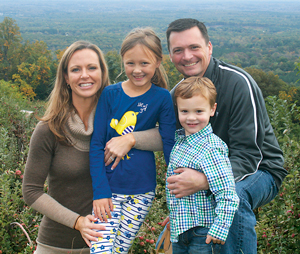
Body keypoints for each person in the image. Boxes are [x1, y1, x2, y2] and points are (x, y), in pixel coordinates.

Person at [164, 18, 287, 253]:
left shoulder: (238, 83)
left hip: (261, 171)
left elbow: (250, 155)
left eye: (194, 47)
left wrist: (205, 181)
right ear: (170, 55)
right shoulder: (177, 96)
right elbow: (175, 145)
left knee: (234, 197)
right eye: (178, 50)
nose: (187, 56)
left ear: (209, 47)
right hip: (211, 171)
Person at [89, 27, 176, 254]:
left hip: (142, 192)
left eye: (144, 63)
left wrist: (177, 193)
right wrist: (100, 192)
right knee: (101, 249)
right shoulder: (110, 94)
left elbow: (169, 145)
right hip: (109, 191)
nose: (137, 70)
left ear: (158, 62)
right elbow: (97, 144)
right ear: (122, 62)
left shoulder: (162, 98)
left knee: (119, 250)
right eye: (130, 63)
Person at [22, 41, 111, 254]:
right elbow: (31, 191)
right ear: (66, 78)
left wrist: (132, 139)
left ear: (102, 72)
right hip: (56, 245)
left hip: (107, 244)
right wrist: (77, 222)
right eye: (75, 69)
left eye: (92, 67)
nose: (84, 75)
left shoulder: (117, 125)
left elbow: (162, 134)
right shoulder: (49, 129)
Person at [166, 76, 239, 254]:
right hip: (181, 231)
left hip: (202, 233)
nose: (191, 118)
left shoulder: (211, 148)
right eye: (184, 111)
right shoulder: (180, 142)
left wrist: (219, 229)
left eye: (199, 111)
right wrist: (175, 214)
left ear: (212, 109)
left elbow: (228, 192)